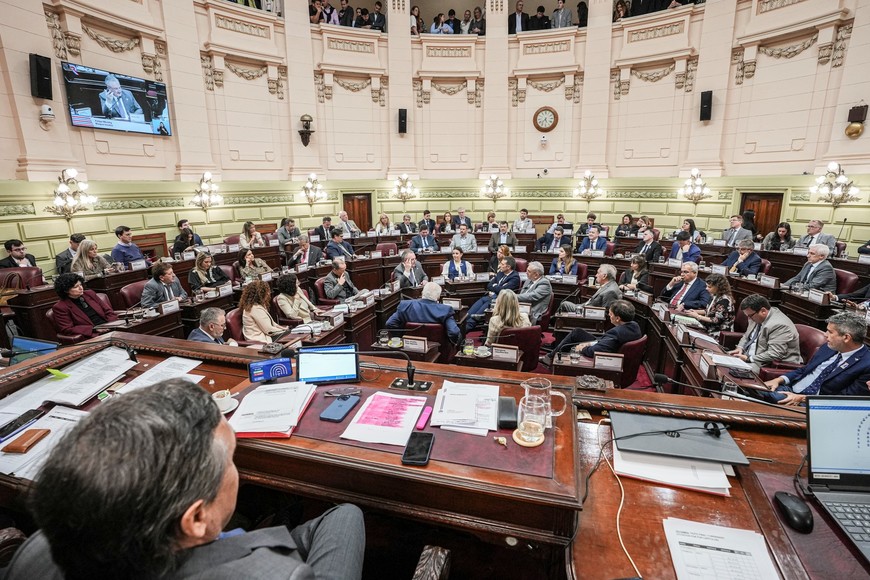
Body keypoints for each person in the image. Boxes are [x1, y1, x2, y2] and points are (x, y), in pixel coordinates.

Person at [7, 378, 366, 578]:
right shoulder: (279, 576)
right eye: (230, 459)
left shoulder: (34, 553)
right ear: (195, 518)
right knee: (346, 514)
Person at [760, 312, 870, 405]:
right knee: (754, 389)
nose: (825, 335)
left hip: (814, 404)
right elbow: (805, 369)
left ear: (846, 337)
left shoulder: (866, 364)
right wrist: (778, 380)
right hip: (790, 389)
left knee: (759, 397)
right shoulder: (829, 347)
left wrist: (803, 398)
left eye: (830, 332)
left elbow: (846, 399)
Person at [542, 300, 642, 366]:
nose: (609, 315)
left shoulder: (616, 333)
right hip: (608, 346)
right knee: (577, 332)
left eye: (610, 314)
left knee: (575, 344)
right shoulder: (635, 325)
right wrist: (590, 342)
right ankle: (552, 355)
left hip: (606, 360)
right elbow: (607, 341)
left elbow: (594, 351)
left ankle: (551, 359)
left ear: (617, 318)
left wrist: (583, 348)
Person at [728, 294, 801, 373]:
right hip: (748, 357)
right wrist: (740, 348)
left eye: (750, 316)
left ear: (763, 311)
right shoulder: (755, 315)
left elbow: (774, 354)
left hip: (767, 365)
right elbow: (746, 336)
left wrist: (748, 358)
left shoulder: (779, 325)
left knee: (729, 371)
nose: (749, 318)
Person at [386, 282, 461, 343]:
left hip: (411, 348)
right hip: (439, 351)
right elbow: (454, 332)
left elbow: (390, 323)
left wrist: (402, 337)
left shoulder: (405, 306)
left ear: (422, 293)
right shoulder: (445, 310)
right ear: (438, 297)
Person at [50, 273, 117, 338]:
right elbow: (67, 329)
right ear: (66, 290)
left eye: (80, 285)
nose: (81, 288)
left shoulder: (89, 293)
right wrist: (94, 329)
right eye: (76, 287)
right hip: (94, 334)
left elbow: (109, 311)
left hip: (110, 327)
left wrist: (110, 324)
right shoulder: (60, 307)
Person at [466, 256, 521, 332]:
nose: (499, 266)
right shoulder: (500, 273)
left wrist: (496, 287)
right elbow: (489, 285)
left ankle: (462, 333)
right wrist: (498, 287)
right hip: (488, 297)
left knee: (475, 317)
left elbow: (502, 291)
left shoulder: (515, 278)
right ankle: (463, 326)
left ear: (508, 267)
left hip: (498, 301)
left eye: (502, 264)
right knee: (469, 314)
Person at [680, 273, 735, 338]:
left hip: (718, 333)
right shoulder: (714, 295)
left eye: (709, 287)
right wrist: (693, 311)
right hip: (708, 328)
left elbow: (716, 320)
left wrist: (697, 316)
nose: (706, 289)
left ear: (718, 287)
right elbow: (709, 311)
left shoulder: (724, 300)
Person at [516, 261, 552, 325]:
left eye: (529, 271)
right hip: (523, 307)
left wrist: (513, 296)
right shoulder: (529, 280)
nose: (526, 273)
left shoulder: (545, 283)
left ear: (536, 275)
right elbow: (522, 294)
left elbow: (531, 296)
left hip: (534, 311)